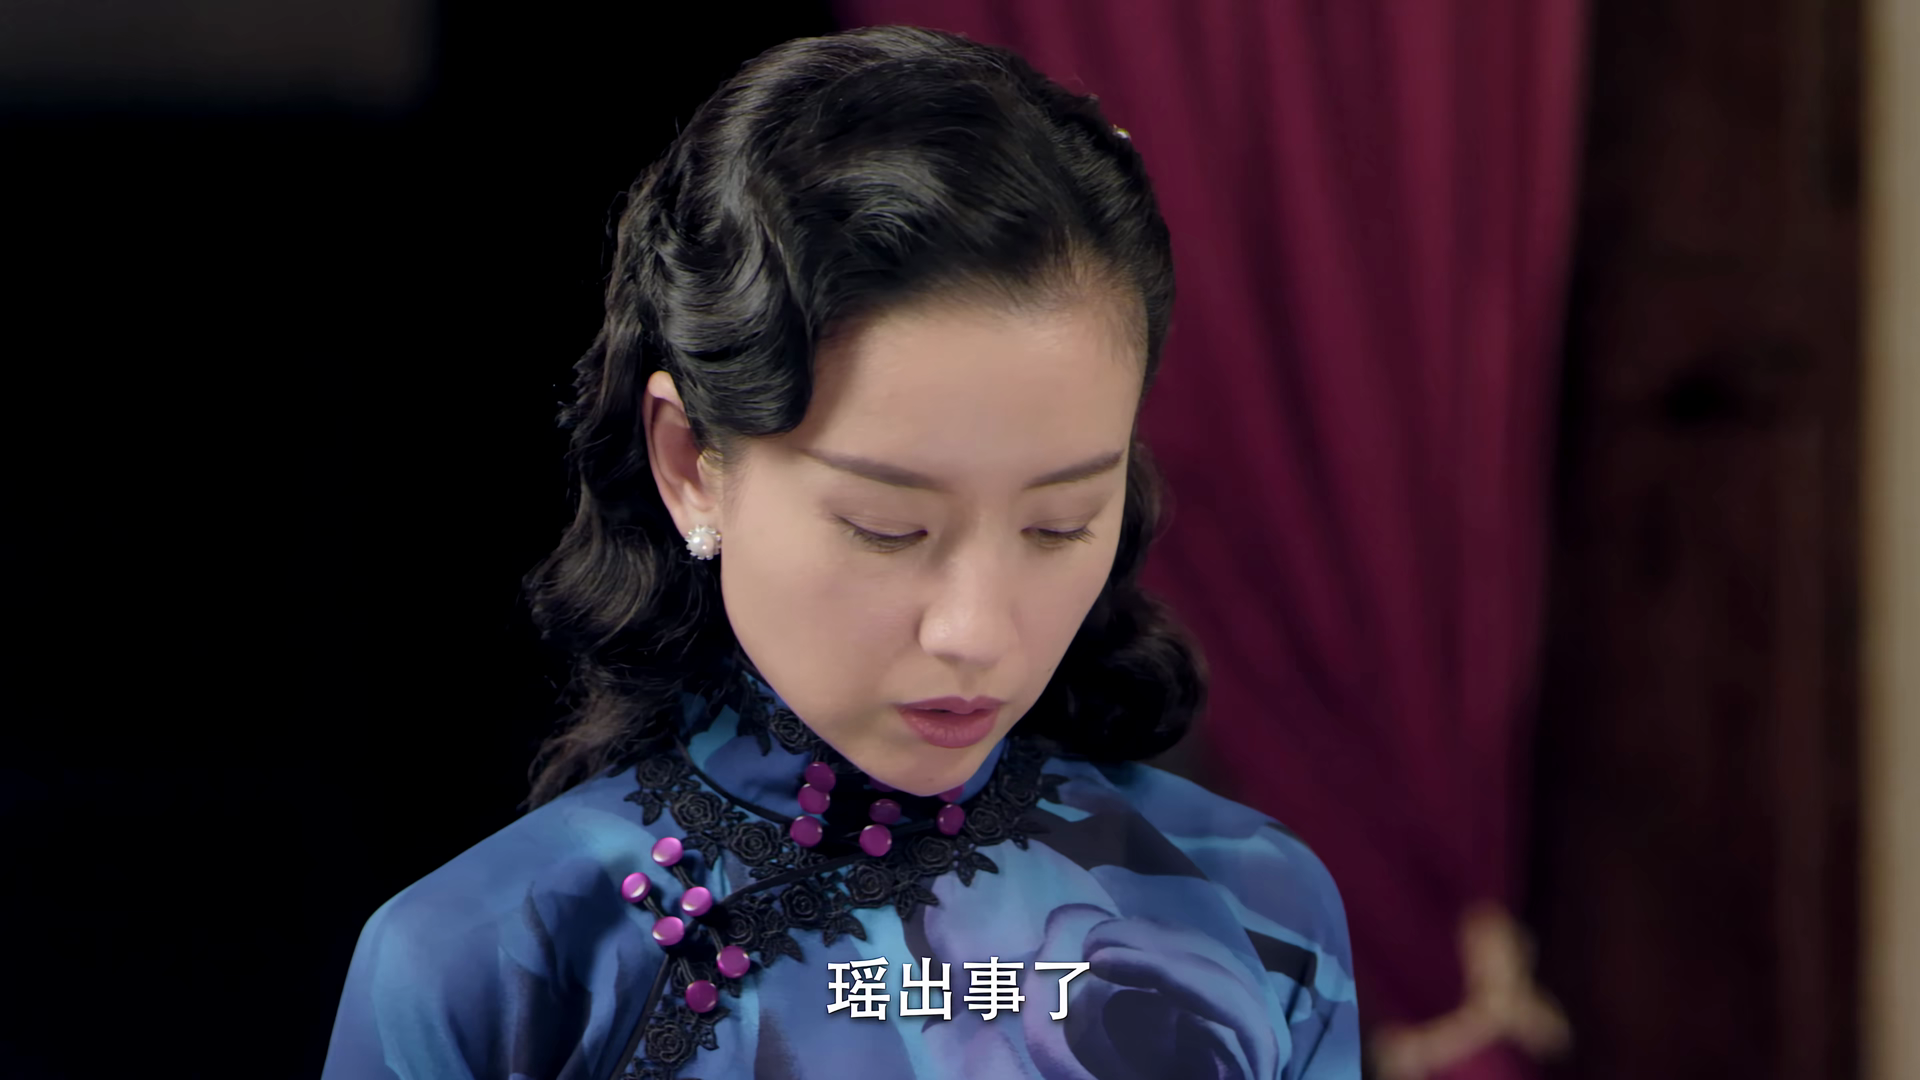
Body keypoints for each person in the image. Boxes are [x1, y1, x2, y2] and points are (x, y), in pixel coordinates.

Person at [322, 24, 1358, 1080]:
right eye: (887, 528)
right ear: (689, 463)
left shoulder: (1256, 913)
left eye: (1059, 524)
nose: (976, 632)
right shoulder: (492, 968)